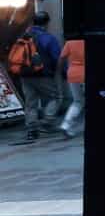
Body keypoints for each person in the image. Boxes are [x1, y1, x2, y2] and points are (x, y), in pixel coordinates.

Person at [8, 11, 62, 143]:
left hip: (25, 75)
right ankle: (47, 123)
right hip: (43, 75)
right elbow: (57, 57)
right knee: (55, 97)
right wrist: (62, 71)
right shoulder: (48, 38)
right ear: (47, 23)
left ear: (33, 22)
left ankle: (32, 130)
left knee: (30, 103)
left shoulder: (23, 36)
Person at [59, 38, 85, 137]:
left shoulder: (69, 43)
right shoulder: (92, 41)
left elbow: (61, 58)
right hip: (86, 74)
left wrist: (62, 71)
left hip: (73, 74)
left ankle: (66, 125)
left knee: (77, 101)